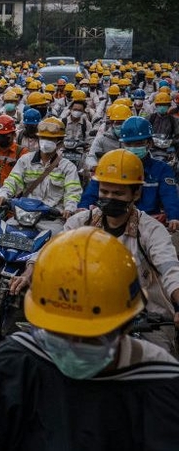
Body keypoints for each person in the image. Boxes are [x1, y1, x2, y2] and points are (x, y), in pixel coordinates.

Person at [0, 226, 179, 450]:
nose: (75, 345)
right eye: (62, 333)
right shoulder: (18, 362)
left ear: (125, 324)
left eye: (89, 336)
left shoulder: (160, 381)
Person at [13, 150, 179, 355]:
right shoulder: (80, 222)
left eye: (118, 194)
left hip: (146, 318)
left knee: (160, 366)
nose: (109, 198)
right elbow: (52, 251)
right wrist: (28, 273)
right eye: (105, 191)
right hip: (87, 312)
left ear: (136, 194)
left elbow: (169, 268)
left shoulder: (151, 230)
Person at [79, 115, 179, 230]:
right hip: (113, 220)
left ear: (149, 143)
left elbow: (169, 195)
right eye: (129, 144)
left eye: (138, 143)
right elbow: (93, 190)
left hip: (147, 224)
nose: (133, 148)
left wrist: (173, 217)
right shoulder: (110, 166)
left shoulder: (162, 169)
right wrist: (83, 207)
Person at [0, 117, 82, 219]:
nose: (46, 141)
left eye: (50, 139)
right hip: (25, 214)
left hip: (52, 218)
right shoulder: (25, 160)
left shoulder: (68, 167)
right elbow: (13, 180)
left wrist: (69, 208)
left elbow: (73, 191)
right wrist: (3, 194)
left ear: (59, 142)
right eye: (43, 138)